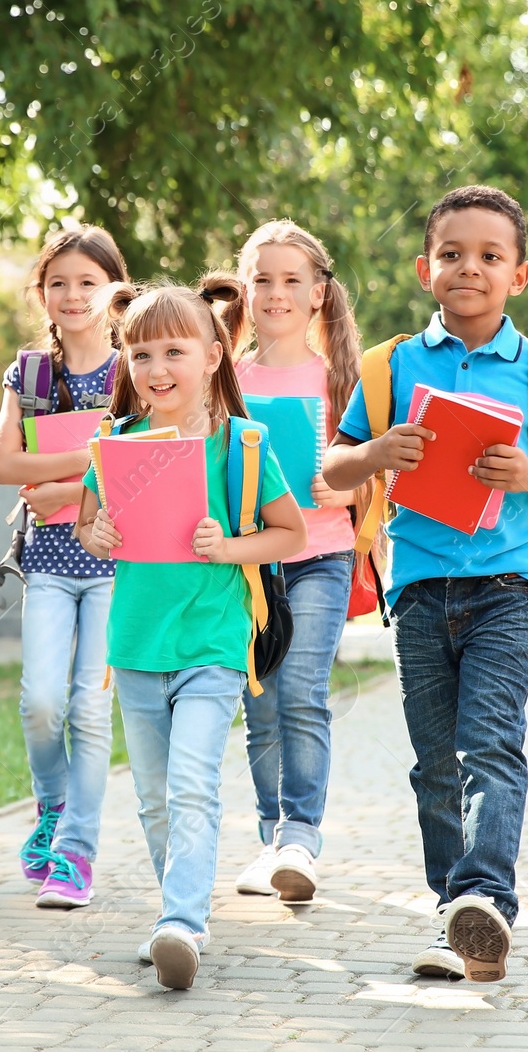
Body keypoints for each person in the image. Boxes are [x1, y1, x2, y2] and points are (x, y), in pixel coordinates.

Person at [322, 186, 528, 982]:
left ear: (520, 274)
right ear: (424, 269)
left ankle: (484, 899)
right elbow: (332, 470)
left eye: (489, 255)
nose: (468, 268)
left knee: (490, 741)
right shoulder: (389, 365)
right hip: (416, 589)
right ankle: (455, 916)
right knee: (434, 762)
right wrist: (379, 453)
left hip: (509, 586)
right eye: (451, 253)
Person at [76, 279, 307, 990]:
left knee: (191, 784)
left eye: (173, 350)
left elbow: (289, 533)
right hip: (136, 647)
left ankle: (181, 922)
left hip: (212, 643)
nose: (155, 368)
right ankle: (175, 914)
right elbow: (88, 529)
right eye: (140, 354)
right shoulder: (112, 444)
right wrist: (99, 530)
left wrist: (228, 544)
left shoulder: (242, 444)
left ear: (212, 356)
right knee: (152, 796)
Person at [216, 221, 366, 905]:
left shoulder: (341, 377)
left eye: (291, 280)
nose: (276, 292)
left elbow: (373, 469)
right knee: (263, 703)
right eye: (263, 279)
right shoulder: (227, 378)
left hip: (321, 556)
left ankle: (302, 834)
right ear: (244, 291)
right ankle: (272, 839)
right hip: (249, 566)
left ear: (318, 294)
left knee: (302, 688)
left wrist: (352, 485)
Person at [0, 225, 128, 909]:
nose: (73, 295)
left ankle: (76, 851)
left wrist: (65, 492)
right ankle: (52, 806)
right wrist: (89, 461)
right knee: (40, 701)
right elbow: (6, 464)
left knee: (90, 707)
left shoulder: (136, 370)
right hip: (47, 563)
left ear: (114, 290)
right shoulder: (31, 373)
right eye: (59, 282)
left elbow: (147, 465)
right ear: (42, 293)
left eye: (88, 281)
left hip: (112, 563)